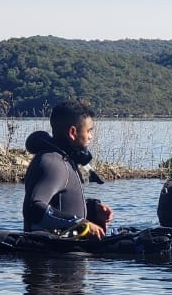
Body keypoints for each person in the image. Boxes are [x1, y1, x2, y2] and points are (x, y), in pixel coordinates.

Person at [22, 100, 114, 239]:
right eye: (89, 131)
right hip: (52, 258)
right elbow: (34, 209)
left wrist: (92, 210)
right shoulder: (53, 163)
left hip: (67, 253)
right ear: (72, 132)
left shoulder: (62, 160)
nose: (91, 136)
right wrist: (82, 225)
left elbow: (59, 206)